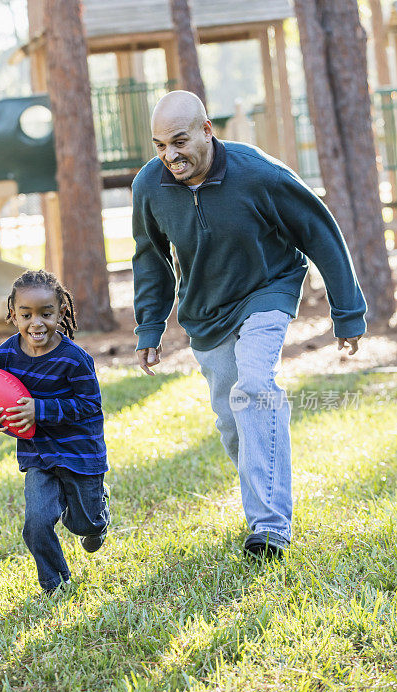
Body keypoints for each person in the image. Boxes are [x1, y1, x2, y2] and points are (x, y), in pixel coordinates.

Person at [132, 90, 366, 559]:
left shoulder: (257, 172)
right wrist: (149, 328)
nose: (170, 156)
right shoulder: (149, 187)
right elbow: (150, 259)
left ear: (206, 131)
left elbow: (319, 231)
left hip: (269, 287)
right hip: (205, 310)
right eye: (160, 145)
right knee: (232, 421)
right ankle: (265, 490)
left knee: (255, 387)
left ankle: (269, 529)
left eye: (179, 141)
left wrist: (347, 310)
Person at [0, 269, 110, 594]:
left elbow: (89, 406)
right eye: (26, 314)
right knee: (36, 522)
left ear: (61, 312)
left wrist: (40, 409)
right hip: (38, 454)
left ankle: (99, 513)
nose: (36, 323)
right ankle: (55, 583)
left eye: (46, 314)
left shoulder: (74, 359)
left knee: (83, 524)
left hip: (79, 453)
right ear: (12, 315)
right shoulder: (4, 356)